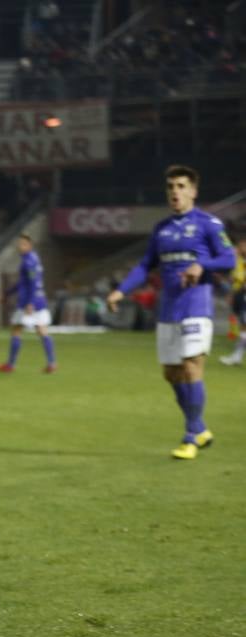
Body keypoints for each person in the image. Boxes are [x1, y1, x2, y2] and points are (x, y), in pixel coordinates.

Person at [107, 165, 238, 460]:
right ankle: (200, 428)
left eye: (181, 186)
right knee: (171, 373)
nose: (175, 192)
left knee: (191, 367)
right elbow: (145, 265)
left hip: (196, 306)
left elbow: (229, 258)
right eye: (170, 187)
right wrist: (121, 290)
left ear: (193, 191)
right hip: (168, 309)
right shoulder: (162, 229)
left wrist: (202, 265)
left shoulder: (208, 224)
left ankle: (190, 436)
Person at [0, 235, 56, 373]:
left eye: (23, 244)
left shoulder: (28, 262)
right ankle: (51, 363)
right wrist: (7, 293)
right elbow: (24, 282)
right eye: (19, 244)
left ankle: (10, 365)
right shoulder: (34, 259)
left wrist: (30, 303)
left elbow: (33, 283)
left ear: (30, 245)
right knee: (42, 330)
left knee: (16, 330)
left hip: (28, 301)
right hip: (39, 300)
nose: (20, 246)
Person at [218, 236, 246, 365]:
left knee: (244, 326)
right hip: (240, 294)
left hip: (242, 293)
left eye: (243, 245)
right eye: (240, 245)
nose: (240, 248)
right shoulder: (238, 261)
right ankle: (236, 356)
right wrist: (231, 294)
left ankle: (236, 357)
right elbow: (234, 278)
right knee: (243, 326)